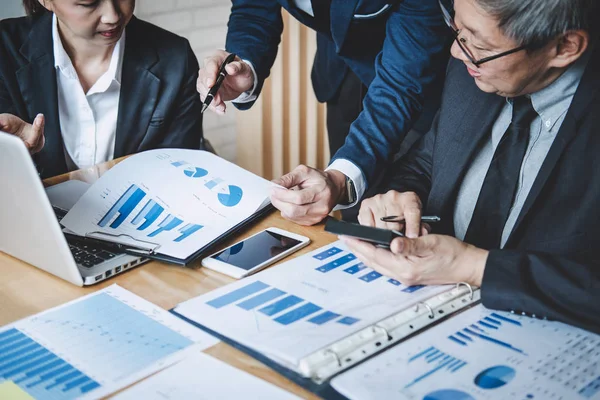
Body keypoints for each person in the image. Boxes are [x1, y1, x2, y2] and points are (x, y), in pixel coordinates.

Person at [343, 0, 600, 333]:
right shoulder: (473, 70)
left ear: (564, 47)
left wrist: (476, 267)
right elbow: (428, 162)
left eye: (478, 44)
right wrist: (401, 198)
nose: (455, 51)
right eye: (456, 28)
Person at [197, 0, 450, 225]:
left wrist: (340, 181)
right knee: (354, 213)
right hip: (339, 78)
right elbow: (253, 10)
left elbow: (401, 83)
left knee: (404, 214)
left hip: (415, 87)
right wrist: (246, 68)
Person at [0, 0, 203, 179]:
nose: (112, 16)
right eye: (89, 3)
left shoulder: (176, 59)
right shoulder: (4, 49)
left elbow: (178, 172)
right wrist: (11, 153)